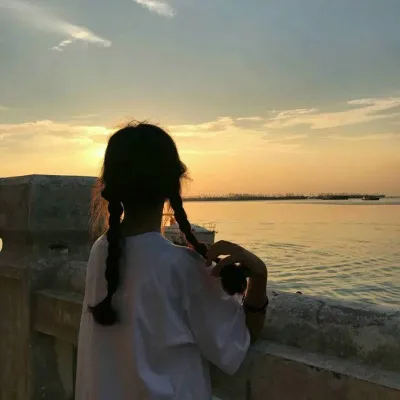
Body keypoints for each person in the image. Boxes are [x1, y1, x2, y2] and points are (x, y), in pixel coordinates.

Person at [75, 122, 268, 400]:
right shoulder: (181, 266)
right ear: (172, 186)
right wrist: (259, 276)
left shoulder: (101, 251)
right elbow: (237, 343)